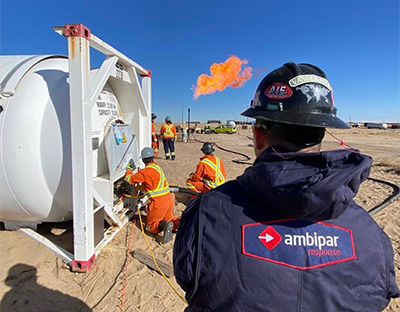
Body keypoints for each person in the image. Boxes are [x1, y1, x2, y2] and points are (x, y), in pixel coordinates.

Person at [174, 62, 399, 310]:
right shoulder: (373, 236)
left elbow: (188, 278)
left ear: (259, 135)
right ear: (321, 132)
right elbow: (380, 297)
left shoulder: (206, 213)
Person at [125, 147, 179, 243]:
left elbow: (129, 179)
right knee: (170, 219)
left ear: (143, 159)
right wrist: (142, 188)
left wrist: (129, 169)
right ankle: (178, 223)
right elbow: (153, 184)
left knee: (150, 226)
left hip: (158, 203)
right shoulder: (156, 167)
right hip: (168, 199)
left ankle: (163, 226)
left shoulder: (145, 172)